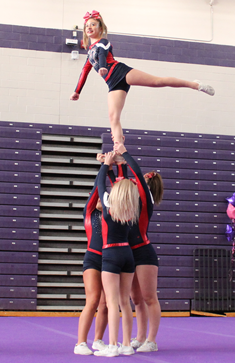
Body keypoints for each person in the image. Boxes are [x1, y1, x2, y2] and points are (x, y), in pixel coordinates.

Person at [70, 11, 214, 147]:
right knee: (113, 117)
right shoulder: (90, 51)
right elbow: (85, 70)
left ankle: (195, 85)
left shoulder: (103, 42)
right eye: (87, 25)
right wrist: (77, 91)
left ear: (100, 28)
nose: (89, 27)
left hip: (121, 72)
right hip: (112, 83)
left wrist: (102, 66)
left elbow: (102, 54)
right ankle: (118, 148)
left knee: (157, 82)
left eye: (93, 24)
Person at [92, 150, 140, 357]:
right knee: (124, 302)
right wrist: (111, 167)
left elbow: (100, 185)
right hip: (127, 255)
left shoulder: (110, 207)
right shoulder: (132, 208)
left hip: (111, 254)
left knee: (112, 302)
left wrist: (104, 166)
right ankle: (127, 344)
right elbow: (115, 186)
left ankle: (112, 345)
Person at [117, 145, 163, 353]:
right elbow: (122, 181)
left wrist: (124, 152)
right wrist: (117, 163)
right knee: (135, 299)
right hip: (129, 251)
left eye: (140, 180)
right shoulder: (134, 198)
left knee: (149, 297)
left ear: (146, 185)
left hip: (143, 251)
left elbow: (134, 170)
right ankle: (140, 336)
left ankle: (151, 340)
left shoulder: (146, 198)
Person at [74, 156, 112, 355]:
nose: (100, 199)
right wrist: (105, 166)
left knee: (105, 304)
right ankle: (81, 342)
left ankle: (98, 340)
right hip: (92, 258)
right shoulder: (89, 213)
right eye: (97, 196)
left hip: (108, 260)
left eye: (103, 197)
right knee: (93, 299)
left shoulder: (109, 214)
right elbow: (98, 186)